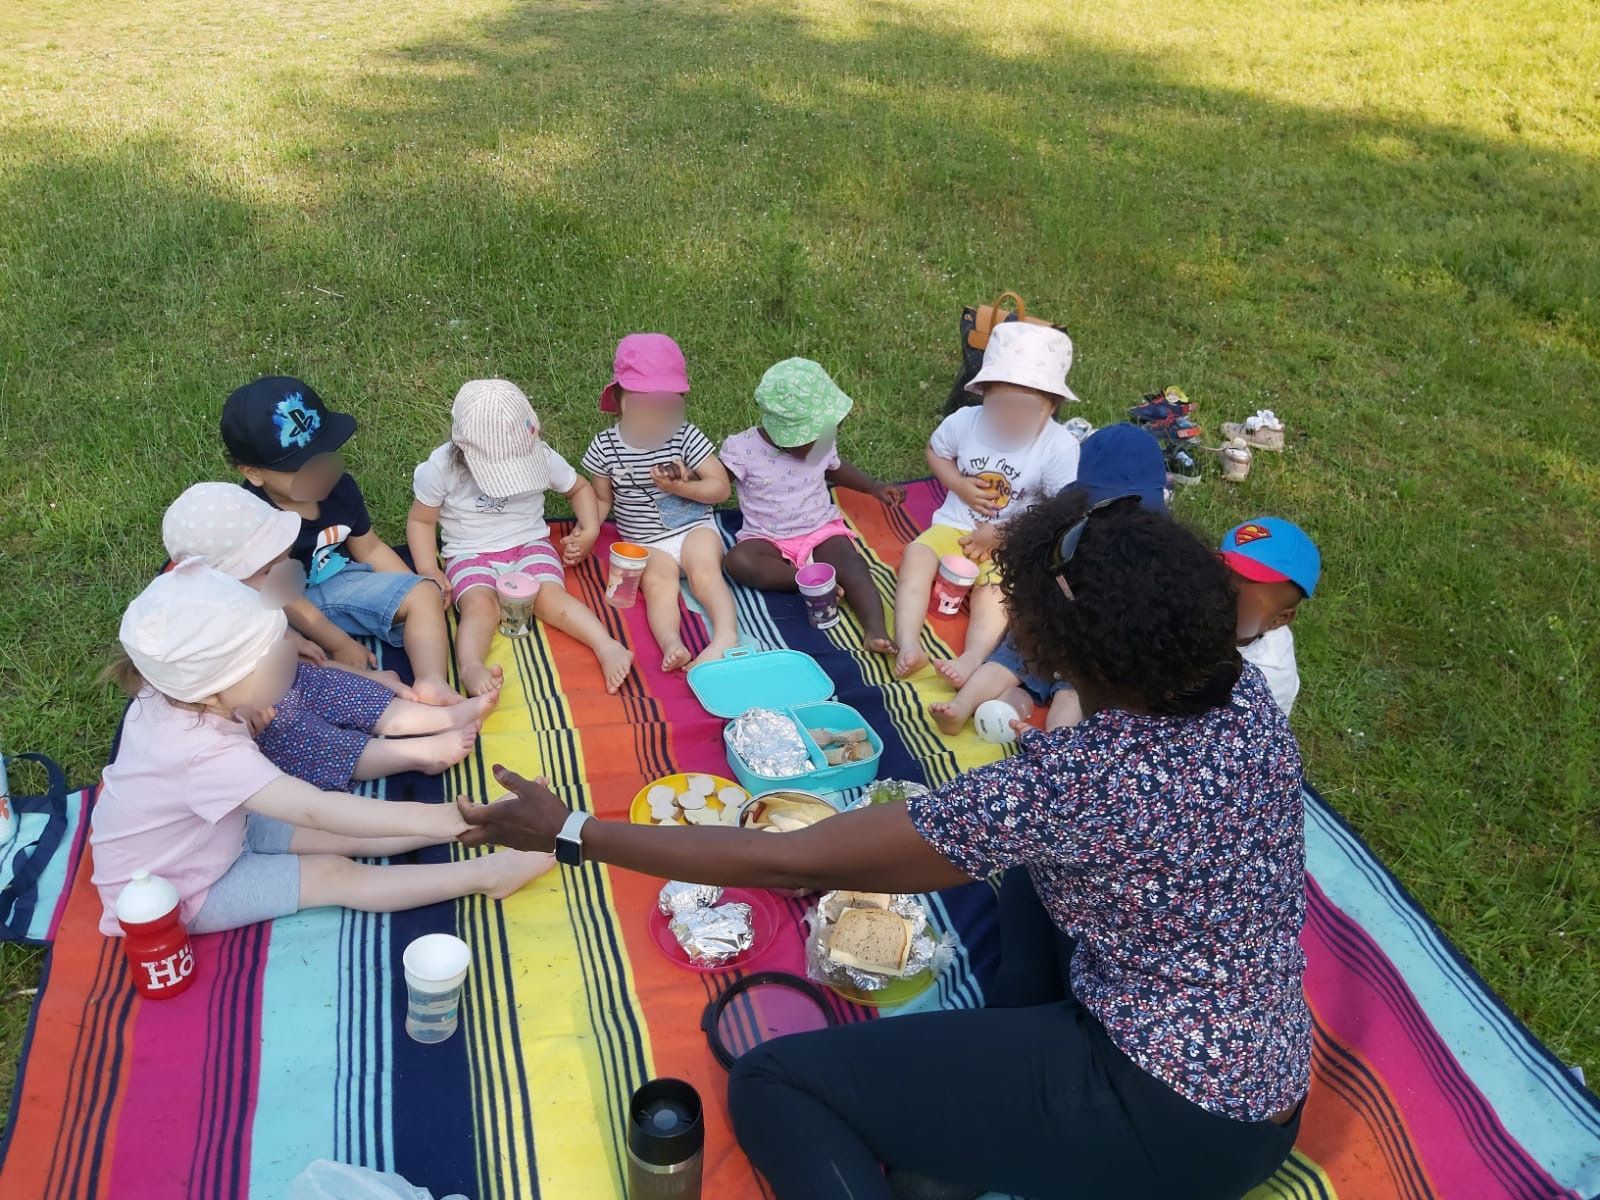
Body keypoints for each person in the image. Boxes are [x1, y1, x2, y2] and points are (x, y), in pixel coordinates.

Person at [455, 491, 1309, 1200]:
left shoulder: (1077, 784)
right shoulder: (1242, 697)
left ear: (1060, 643)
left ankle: (994, 1130)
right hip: (1257, 1079)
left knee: (773, 1082)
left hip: (1171, 1116)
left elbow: (792, 857)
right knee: (1023, 884)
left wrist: (572, 831)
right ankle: (976, 1138)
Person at [90, 561, 552, 938]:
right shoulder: (203, 756)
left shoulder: (177, 692)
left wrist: (243, 710)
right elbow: (317, 810)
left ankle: (479, 823)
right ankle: (487, 870)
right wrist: (455, 817)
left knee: (348, 834)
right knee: (335, 872)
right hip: (176, 888)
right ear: (216, 689)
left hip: (213, 829)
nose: (289, 658)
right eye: (272, 657)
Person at [163, 483, 494, 789]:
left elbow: (300, 660)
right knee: (305, 737)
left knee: (340, 689)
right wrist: (239, 714)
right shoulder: (194, 630)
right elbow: (196, 703)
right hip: (244, 716)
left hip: (282, 678)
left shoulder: (250, 598)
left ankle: (439, 717)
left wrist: (353, 671)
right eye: (267, 570)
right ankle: (414, 755)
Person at [223, 375, 463, 706]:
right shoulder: (256, 517)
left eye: (324, 456)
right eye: (301, 467)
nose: (320, 473)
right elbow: (278, 592)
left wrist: (412, 586)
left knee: (425, 593)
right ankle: (366, 682)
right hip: (276, 605)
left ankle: (432, 681)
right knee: (275, 664)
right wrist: (338, 642)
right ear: (254, 473)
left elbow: (370, 547)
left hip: (336, 584)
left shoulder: (339, 489)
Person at [929, 423, 1167, 736]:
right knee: (1008, 659)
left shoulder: (1156, 549)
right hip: (1049, 624)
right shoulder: (1069, 525)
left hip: (1096, 646)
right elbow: (1041, 569)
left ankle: (1054, 743)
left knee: (1072, 696)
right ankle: (961, 706)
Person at [407, 379, 635, 696]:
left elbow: (579, 488)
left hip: (529, 544)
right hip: (469, 552)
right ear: (462, 448)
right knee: (480, 606)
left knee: (550, 598)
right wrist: (428, 568)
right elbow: (421, 521)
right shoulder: (441, 468)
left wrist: (590, 527)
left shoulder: (538, 453)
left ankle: (606, 645)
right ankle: (471, 666)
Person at [893, 322, 1082, 681]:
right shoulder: (965, 422)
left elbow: (1060, 512)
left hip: (1009, 543)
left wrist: (1004, 536)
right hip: (954, 526)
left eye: (1025, 410)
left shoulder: (1059, 447)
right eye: (1000, 407)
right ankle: (908, 643)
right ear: (983, 394)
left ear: (1052, 407)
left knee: (997, 595)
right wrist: (957, 485)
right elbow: (935, 451)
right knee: (916, 556)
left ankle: (971, 659)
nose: (1010, 419)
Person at [721, 358, 905, 653]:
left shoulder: (820, 440)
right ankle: (806, 581)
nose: (824, 443)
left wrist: (873, 487)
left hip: (819, 528)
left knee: (853, 566)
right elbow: (717, 481)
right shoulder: (743, 450)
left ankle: (875, 631)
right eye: (814, 438)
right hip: (766, 537)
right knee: (737, 562)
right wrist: (689, 481)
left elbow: (835, 468)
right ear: (784, 434)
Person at [580, 334, 740, 670]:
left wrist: (682, 488)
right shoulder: (606, 447)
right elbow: (601, 497)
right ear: (621, 400)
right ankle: (672, 643)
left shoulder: (684, 437)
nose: (656, 419)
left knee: (704, 572)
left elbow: (720, 488)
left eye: (666, 409)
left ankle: (726, 635)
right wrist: (588, 530)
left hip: (694, 528)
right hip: (646, 542)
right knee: (657, 584)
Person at [1220, 517, 1320, 717]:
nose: (1222, 600)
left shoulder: (1264, 675)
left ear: (1279, 619)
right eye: (1222, 579)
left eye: (1245, 602)